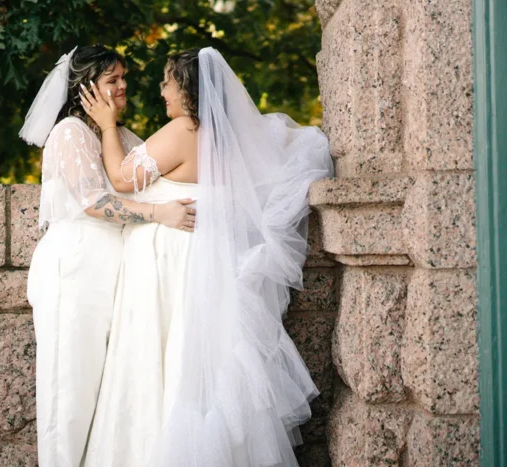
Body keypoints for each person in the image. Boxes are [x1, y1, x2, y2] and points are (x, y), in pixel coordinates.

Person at [80, 48, 333, 467]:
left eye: (167, 82)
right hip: (212, 264)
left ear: (185, 88)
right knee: (204, 372)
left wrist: (107, 125)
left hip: (181, 268)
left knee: (175, 365)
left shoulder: (184, 129)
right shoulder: (228, 135)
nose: (162, 91)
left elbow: (122, 180)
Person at [20, 45, 195, 467]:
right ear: (86, 89)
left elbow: (150, 173)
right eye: (112, 80)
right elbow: (92, 200)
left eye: (123, 78)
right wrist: (160, 214)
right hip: (74, 268)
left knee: (98, 398)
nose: (123, 86)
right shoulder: (69, 133)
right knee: (69, 391)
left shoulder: (118, 135)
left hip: (110, 274)